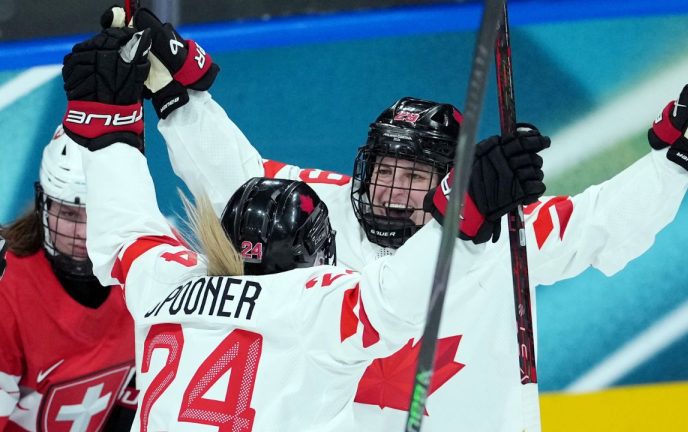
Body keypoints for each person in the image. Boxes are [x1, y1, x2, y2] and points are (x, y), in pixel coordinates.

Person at [111, 6, 688, 431]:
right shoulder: (325, 206)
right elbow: (233, 175)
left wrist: (680, 156)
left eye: (416, 178)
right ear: (364, 167)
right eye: (386, 172)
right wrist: (174, 94)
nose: (395, 192)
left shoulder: (501, 233)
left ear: (448, 182)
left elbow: (599, 223)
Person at [59, 25, 549, 431]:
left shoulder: (166, 286)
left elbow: (124, 237)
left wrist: (109, 128)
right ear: (316, 252)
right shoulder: (314, 306)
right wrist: (467, 211)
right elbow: (394, 300)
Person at [0, 126, 138, 431]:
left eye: (97, 212)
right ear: (45, 206)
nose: (84, 234)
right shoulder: (7, 286)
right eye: (71, 214)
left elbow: (138, 404)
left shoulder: (149, 271)